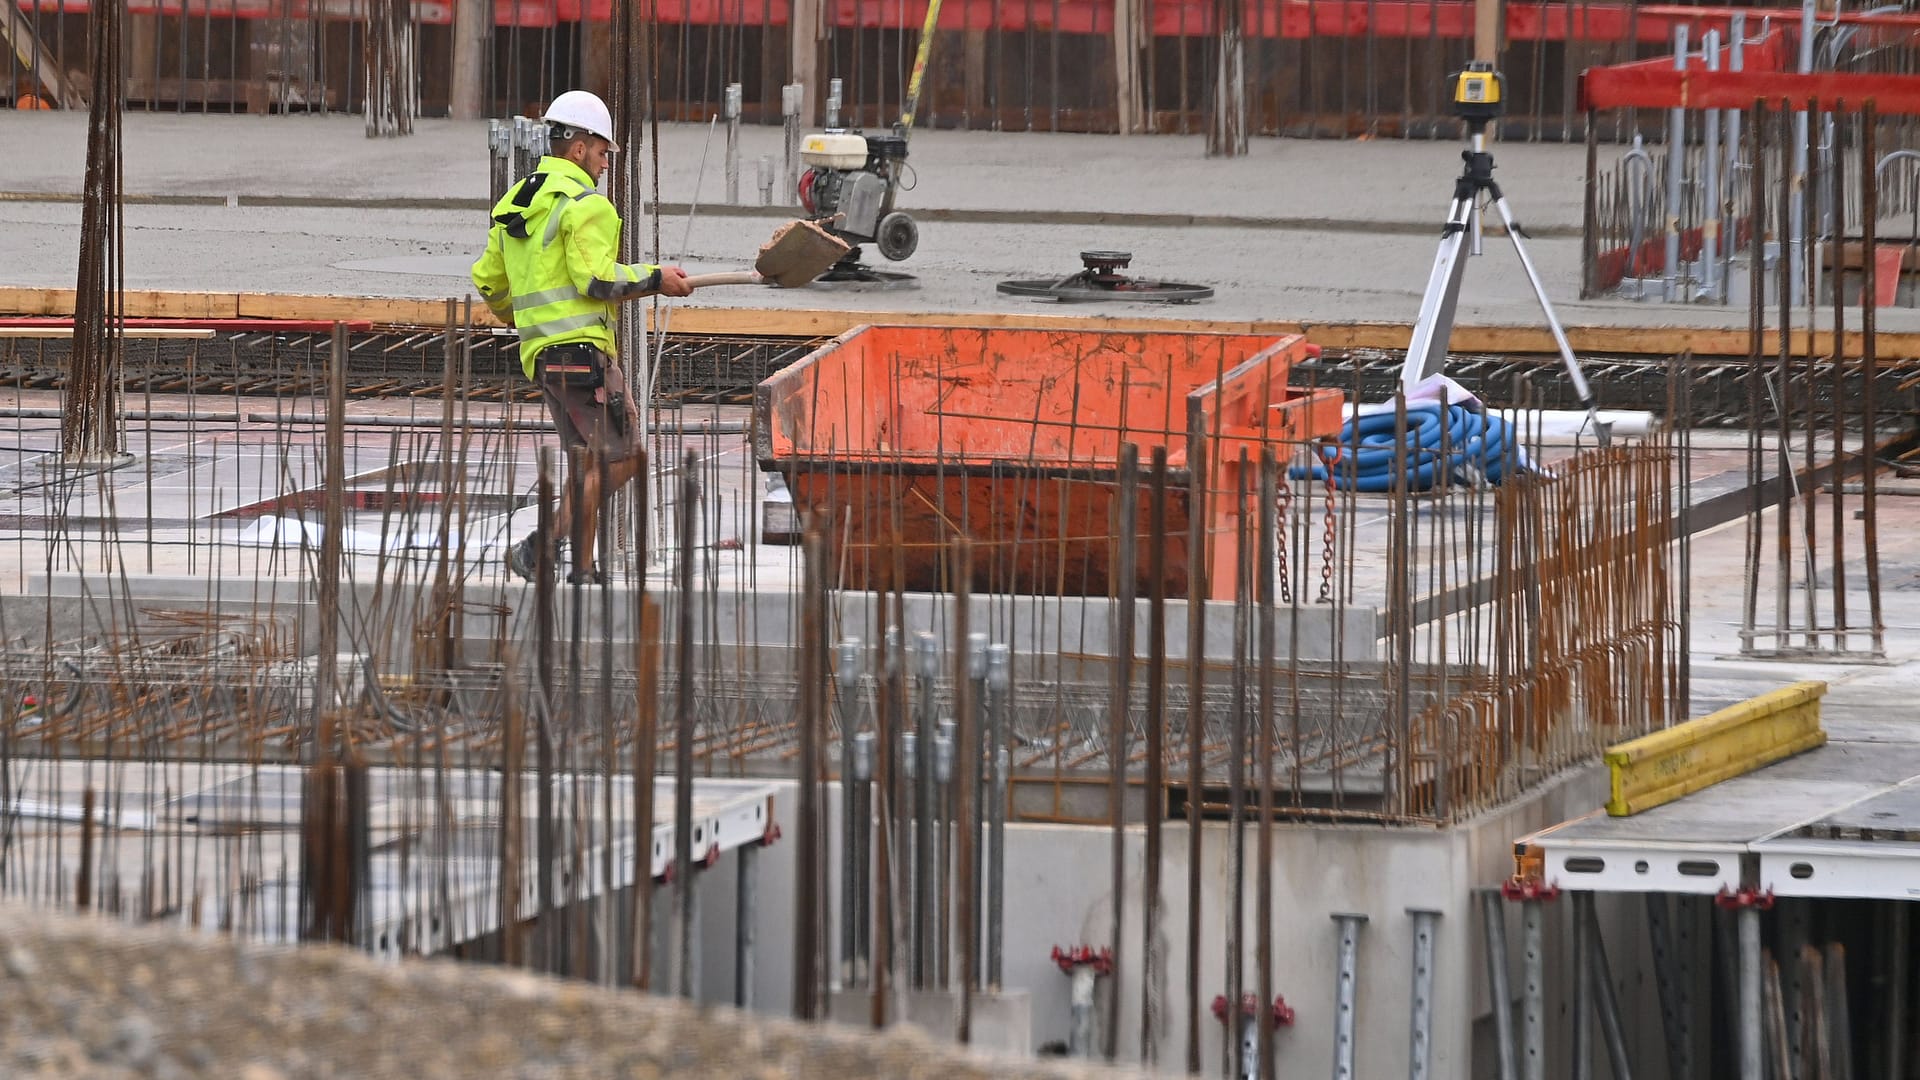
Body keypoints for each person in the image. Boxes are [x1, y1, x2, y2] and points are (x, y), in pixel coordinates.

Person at [472, 89, 693, 584]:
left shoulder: (516, 203)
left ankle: (583, 569)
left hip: (544, 358)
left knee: (586, 464)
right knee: (626, 457)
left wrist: (520, 318)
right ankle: (542, 546)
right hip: (582, 355)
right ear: (578, 148)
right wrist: (657, 279)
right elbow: (596, 280)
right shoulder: (585, 205)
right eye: (601, 151)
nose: (605, 163)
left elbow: (489, 280)